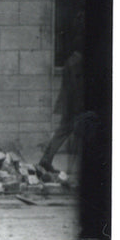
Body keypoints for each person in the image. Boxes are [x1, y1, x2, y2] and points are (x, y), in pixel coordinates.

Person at [38, 46, 84, 175]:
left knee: (62, 133)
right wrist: (79, 108)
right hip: (74, 106)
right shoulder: (77, 62)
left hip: (70, 105)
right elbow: (76, 88)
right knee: (74, 134)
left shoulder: (72, 60)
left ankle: (46, 160)